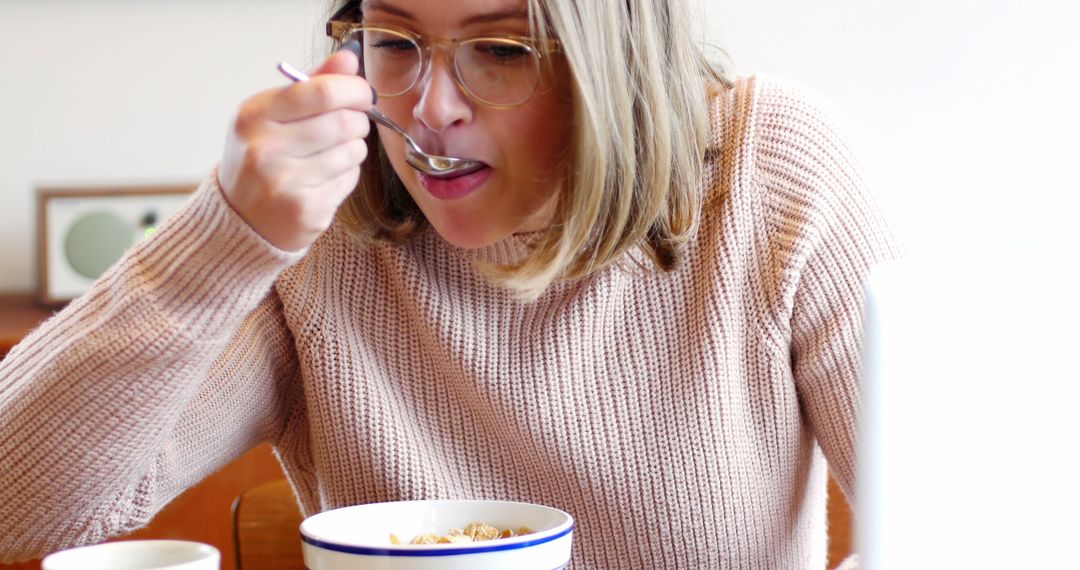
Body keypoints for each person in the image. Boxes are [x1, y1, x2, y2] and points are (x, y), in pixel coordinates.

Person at [0, 0, 902, 567]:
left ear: (614, 56)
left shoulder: (770, 171)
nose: (430, 108)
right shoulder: (322, 230)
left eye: (502, 50)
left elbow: (958, 530)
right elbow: (21, 510)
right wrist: (219, 242)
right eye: (394, 41)